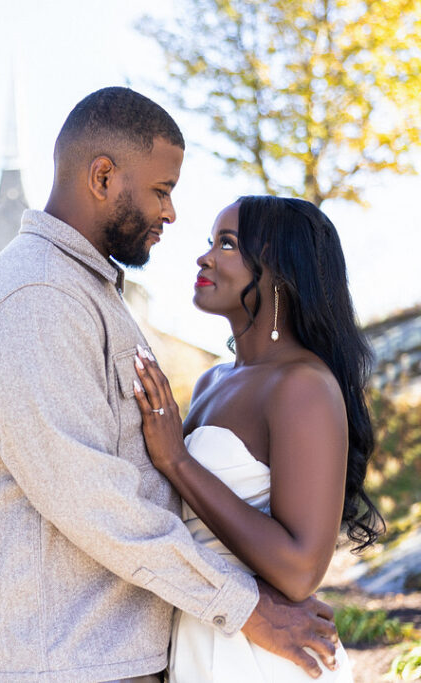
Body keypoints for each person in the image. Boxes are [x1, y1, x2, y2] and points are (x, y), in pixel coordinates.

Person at [0, 87, 340, 683]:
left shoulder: (88, 293)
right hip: (64, 661)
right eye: (162, 191)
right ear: (103, 176)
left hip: (135, 654)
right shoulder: (39, 298)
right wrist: (241, 606)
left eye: (225, 242)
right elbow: (89, 496)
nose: (172, 215)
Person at [132, 196, 383, 681]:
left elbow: (299, 569)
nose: (204, 258)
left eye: (227, 244)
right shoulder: (211, 381)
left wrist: (179, 462)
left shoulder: (302, 385)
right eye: (211, 242)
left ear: (280, 273)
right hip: (200, 631)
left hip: (259, 656)